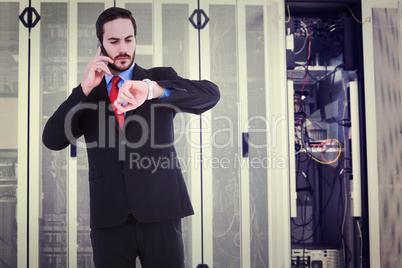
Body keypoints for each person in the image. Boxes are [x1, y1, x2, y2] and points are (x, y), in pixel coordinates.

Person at [42, 7, 220, 268]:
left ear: (135, 39)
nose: (123, 48)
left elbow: (210, 95)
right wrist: (83, 89)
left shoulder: (158, 80)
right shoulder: (88, 95)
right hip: (109, 219)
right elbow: (52, 139)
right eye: (113, 41)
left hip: (161, 211)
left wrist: (152, 90)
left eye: (129, 39)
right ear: (100, 45)